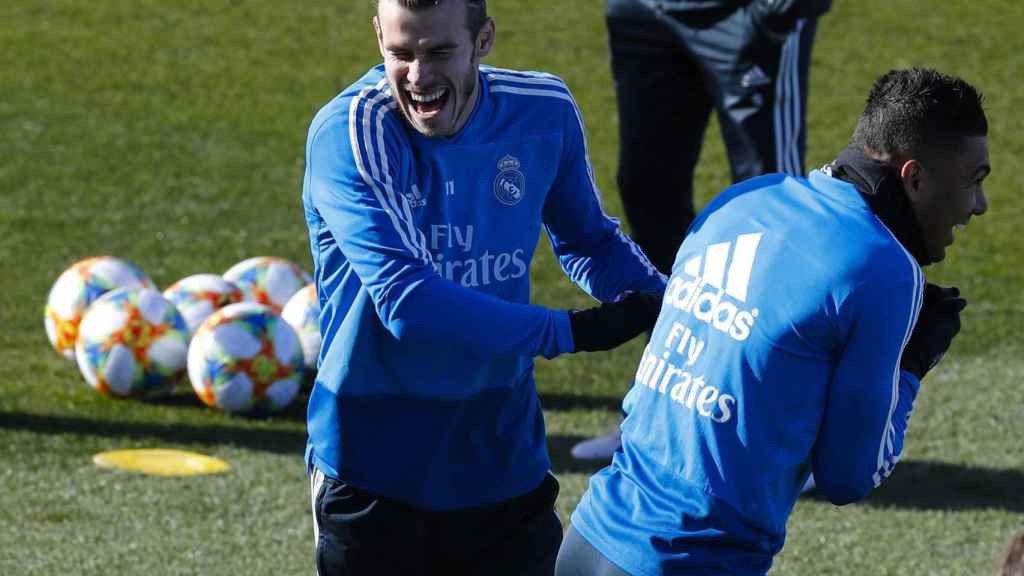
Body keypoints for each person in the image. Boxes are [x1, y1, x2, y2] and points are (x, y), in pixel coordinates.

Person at [556, 67, 990, 575]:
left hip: (588, 538)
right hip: (693, 560)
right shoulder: (884, 268)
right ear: (914, 178)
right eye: (974, 182)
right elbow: (848, 477)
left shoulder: (748, 197)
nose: (978, 206)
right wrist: (912, 366)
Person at [301, 1, 666, 574]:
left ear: (484, 39)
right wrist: (569, 331)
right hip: (374, 467)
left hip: (502, 458)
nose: (418, 77)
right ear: (377, 37)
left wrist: (664, 304)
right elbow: (407, 301)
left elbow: (588, 241)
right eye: (400, 52)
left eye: (439, 51)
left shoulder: (542, 111)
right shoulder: (351, 132)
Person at [571, 0, 833, 460]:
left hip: (744, 15)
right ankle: (660, 410)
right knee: (647, 191)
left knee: (776, 214)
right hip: (644, 12)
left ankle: (794, 431)